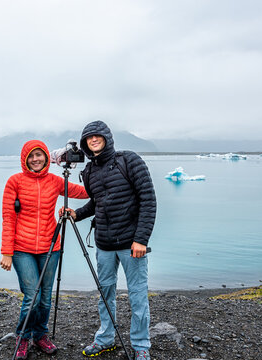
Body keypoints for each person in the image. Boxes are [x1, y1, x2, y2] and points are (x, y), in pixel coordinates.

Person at [61, 121, 156, 360]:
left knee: (137, 294)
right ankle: (105, 339)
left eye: (97, 136)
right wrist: (76, 214)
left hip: (131, 243)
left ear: (106, 137)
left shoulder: (129, 160)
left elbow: (148, 200)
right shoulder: (89, 171)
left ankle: (141, 345)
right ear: (84, 144)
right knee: (105, 293)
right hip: (104, 244)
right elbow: (97, 202)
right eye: (88, 138)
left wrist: (141, 239)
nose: (93, 140)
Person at [0, 139, 89, 360]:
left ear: (47, 158)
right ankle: (23, 338)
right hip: (22, 249)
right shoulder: (15, 182)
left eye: (39, 155)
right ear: (25, 159)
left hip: (51, 246)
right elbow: (8, 218)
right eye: (31, 156)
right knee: (32, 296)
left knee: (45, 298)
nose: (35, 159)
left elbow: (84, 192)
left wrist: (98, 175)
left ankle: (40, 335)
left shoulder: (55, 181)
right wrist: (6, 251)